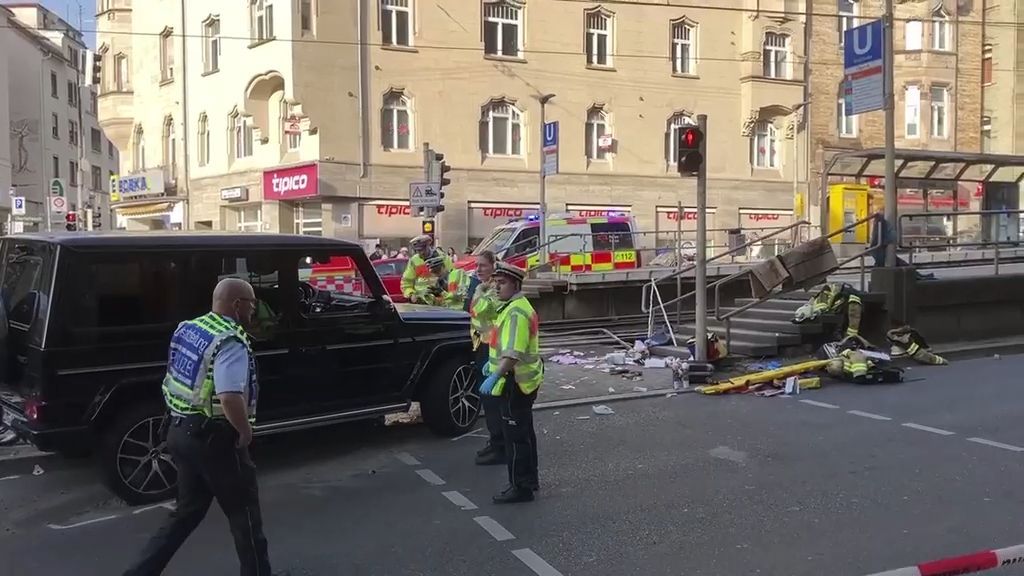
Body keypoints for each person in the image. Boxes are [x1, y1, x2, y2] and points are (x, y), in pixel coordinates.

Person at [123, 278, 274, 576]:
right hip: (214, 440)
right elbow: (229, 395)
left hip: (180, 431)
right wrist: (244, 431)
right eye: (252, 303)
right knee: (245, 518)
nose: (254, 309)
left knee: (185, 514)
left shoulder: (191, 328)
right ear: (237, 305)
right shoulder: (230, 341)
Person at [477, 262, 543, 504]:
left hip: (514, 382)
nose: (496, 287)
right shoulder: (514, 306)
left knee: (515, 437)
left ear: (515, 284)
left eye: (502, 282)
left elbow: (513, 353)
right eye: (495, 282)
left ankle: (520, 487)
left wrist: (495, 374)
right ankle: (530, 479)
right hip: (522, 381)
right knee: (525, 433)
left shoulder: (515, 312)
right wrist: (492, 365)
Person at [466, 251, 504, 466]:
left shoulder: (494, 288)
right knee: (486, 398)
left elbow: (480, 310)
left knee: (492, 399)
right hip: (481, 344)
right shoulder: (482, 287)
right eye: (476, 265)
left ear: (493, 266)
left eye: (483, 265)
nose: (478, 269)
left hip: (493, 347)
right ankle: (495, 441)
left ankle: (500, 446)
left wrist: (478, 291)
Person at [400, 235, 451, 303]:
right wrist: (411, 294)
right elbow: (406, 282)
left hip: (440, 302)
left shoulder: (443, 257)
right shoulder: (414, 260)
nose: (421, 253)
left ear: (428, 246)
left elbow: (452, 279)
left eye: (422, 249)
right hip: (421, 302)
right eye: (417, 250)